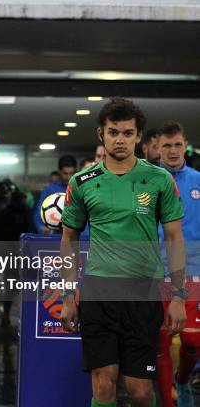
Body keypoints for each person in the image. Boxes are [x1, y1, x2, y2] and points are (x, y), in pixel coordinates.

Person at [60, 98, 187, 407]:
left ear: (139, 136)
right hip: (99, 291)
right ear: (100, 134)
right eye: (113, 132)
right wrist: (67, 295)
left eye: (128, 133)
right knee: (103, 383)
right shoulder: (82, 182)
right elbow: (69, 240)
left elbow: (174, 238)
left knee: (140, 392)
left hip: (143, 292)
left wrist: (180, 296)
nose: (120, 139)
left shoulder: (160, 179)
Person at [155, 121, 200, 407]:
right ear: (157, 148)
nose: (172, 151)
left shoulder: (198, 180)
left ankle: (183, 380)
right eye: (167, 145)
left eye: (177, 144)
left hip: (193, 273)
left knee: (193, 343)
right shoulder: (145, 181)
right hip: (154, 273)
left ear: (186, 145)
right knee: (159, 346)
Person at [33, 155, 77, 233]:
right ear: (59, 172)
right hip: (56, 235)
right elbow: (40, 210)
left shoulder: (80, 189)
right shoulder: (50, 190)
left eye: (71, 173)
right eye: (65, 173)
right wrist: (41, 227)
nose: (68, 177)